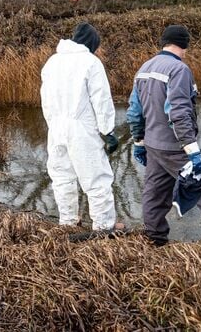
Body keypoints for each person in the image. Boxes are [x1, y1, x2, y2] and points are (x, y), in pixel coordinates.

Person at [126, 25, 201, 256]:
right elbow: (179, 112)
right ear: (184, 45)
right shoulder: (178, 69)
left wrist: (139, 142)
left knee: (155, 193)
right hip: (176, 148)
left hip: (153, 145)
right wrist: (192, 151)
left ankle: (155, 240)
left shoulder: (144, 68)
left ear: (164, 42)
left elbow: (134, 111)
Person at [40, 22, 122, 238]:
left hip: (56, 127)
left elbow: (45, 99)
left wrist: (52, 123)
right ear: (91, 44)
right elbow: (101, 99)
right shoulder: (90, 62)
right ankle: (104, 226)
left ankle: (67, 221)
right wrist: (108, 131)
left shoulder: (52, 62)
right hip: (81, 129)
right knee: (96, 177)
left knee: (62, 175)